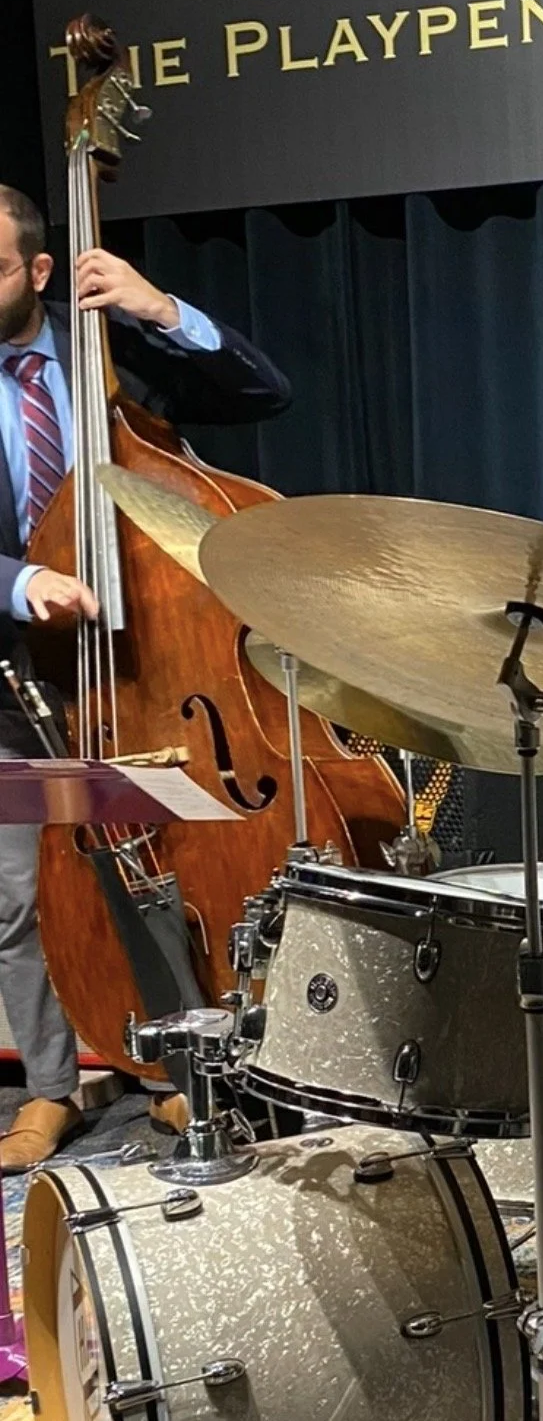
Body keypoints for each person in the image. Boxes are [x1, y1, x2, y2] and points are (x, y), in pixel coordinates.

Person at [0, 183, 292, 1171]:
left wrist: (157, 308)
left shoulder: (109, 352)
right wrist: (22, 577)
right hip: (21, 674)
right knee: (20, 895)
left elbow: (262, 394)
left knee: (203, 858)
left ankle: (206, 1059)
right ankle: (51, 1087)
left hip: (163, 667)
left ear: (40, 270)